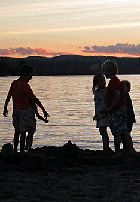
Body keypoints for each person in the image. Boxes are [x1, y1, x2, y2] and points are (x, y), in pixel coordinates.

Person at [3, 64, 50, 153]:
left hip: (16, 111)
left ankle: (15, 150)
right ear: (25, 74)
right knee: (24, 132)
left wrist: (5, 108)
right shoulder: (25, 86)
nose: (31, 78)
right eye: (30, 76)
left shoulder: (14, 83)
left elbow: (8, 97)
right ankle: (22, 151)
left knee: (17, 132)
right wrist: (43, 110)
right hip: (25, 111)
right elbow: (34, 99)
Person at [101, 60, 136, 154]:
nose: (104, 74)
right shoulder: (118, 81)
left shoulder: (113, 83)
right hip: (122, 109)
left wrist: (111, 108)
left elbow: (117, 96)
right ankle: (131, 149)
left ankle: (117, 151)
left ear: (108, 71)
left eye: (104, 71)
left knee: (117, 132)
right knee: (124, 130)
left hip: (116, 110)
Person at [92, 72, 110, 151]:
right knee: (102, 132)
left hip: (105, 114)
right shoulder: (97, 92)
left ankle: (106, 148)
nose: (103, 83)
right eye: (100, 81)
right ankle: (105, 148)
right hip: (99, 115)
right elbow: (97, 105)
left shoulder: (107, 91)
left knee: (104, 131)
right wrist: (95, 115)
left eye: (103, 81)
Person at [120, 80, 136, 152]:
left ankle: (128, 148)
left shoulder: (125, 97)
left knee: (125, 133)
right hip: (129, 118)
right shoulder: (125, 97)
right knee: (125, 134)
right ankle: (126, 148)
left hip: (128, 119)